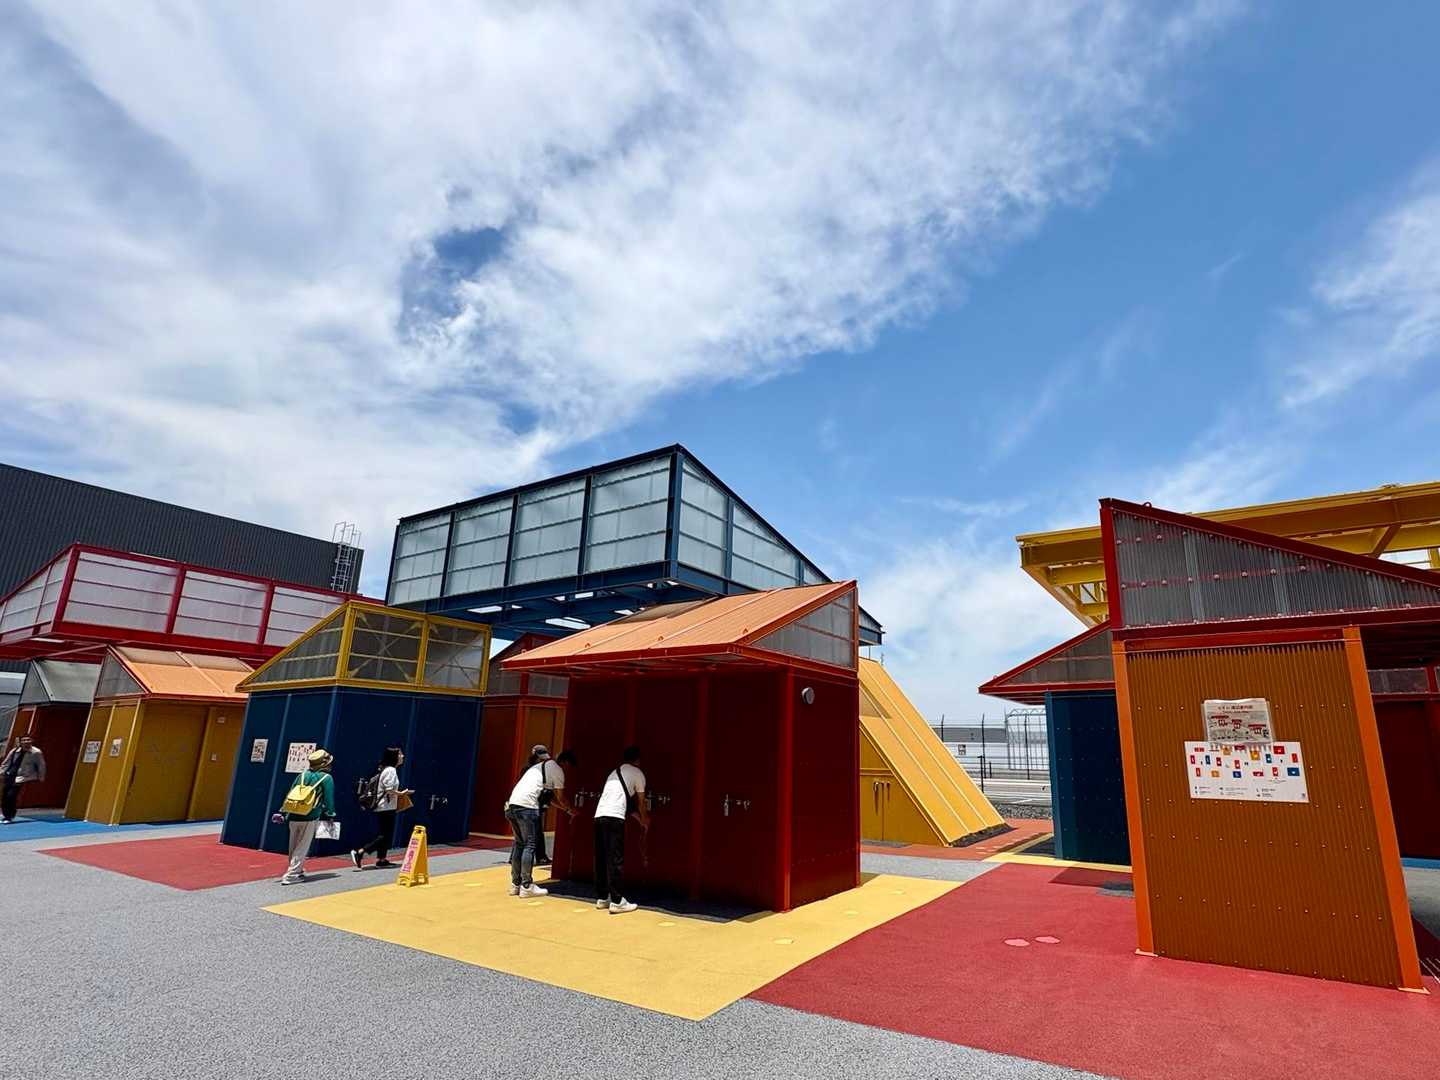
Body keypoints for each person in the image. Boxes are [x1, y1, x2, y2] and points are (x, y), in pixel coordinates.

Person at [503, 745, 576, 897]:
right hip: (527, 808)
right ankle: (527, 886)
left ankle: (515, 884)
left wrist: (566, 810)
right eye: (569, 766)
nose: (568, 770)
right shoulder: (557, 770)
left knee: (519, 844)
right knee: (529, 845)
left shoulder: (539, 767)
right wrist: (572, 810)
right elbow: (560, 797)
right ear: (565, 762)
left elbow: (551, 800)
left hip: (512, 806)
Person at [593, 745, 648, 914]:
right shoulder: (637, 773)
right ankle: (617, 901)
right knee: (615, 859)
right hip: (615, 818)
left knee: (601, 857)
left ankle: (603, 897)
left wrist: (639, 819)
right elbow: (641, 801)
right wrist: (645, 819)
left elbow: (626, 802)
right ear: (637, 760)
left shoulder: (614, 773)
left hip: (599, 815)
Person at [278, 748, 336, 885]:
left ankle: (296, 870)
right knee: (303, 846)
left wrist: (284, 812)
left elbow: (291, 793)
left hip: (293, 814)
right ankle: (291, 875)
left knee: (293, 845)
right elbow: (328, 799)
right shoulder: (326, 778)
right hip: (310, 815)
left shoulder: (302, 775)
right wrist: (330, 813)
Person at [350, 746, 412, 871]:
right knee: (385, 835)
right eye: (400, 754)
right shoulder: (391, 771)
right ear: (394, 757)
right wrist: (402, 793)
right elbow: (389, 790)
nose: (402, 756)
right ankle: (360, 852)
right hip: (386, 807)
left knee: (385, 834)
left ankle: (381, 859)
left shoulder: (387, 770)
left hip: (385, 806)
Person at [1, 734, 46, 824]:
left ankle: (9, 816)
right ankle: (6, 815)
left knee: (11, 796)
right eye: (24, 740)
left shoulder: (36, 752)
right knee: (4, 797)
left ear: (32, 741)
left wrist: (41, 777)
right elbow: (6, 762)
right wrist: (1, 772)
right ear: (21, 742)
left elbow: (41, 765)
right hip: (10, 775)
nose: (26, 742)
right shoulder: (15, 751)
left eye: (28, 740)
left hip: (22, 777)